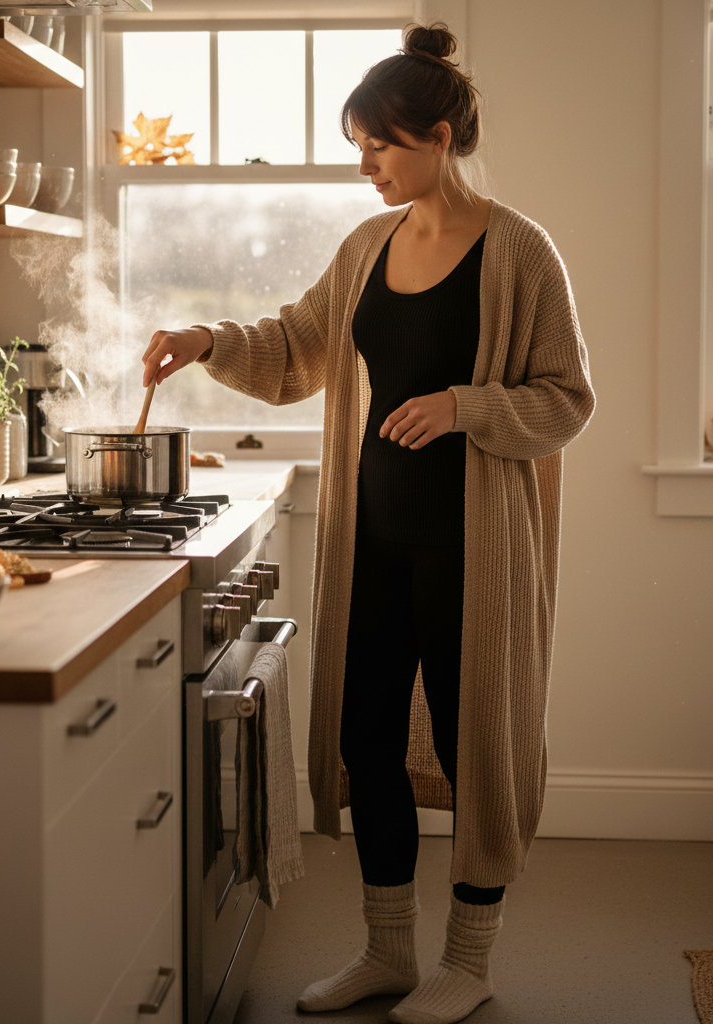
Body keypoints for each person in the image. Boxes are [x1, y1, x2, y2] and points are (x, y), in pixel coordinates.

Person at [142, 22, 595, 1024]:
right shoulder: (366, 248)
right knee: (366, 739)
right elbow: (298, 344)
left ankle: (467, 960)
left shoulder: (520, 251)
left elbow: (567, 397)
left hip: (477, 555)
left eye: (379, 145)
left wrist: (467, 406)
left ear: (439, 137)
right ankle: (388, 951)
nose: (366, 166)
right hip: (374, 544)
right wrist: (205, 338)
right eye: (357, 146)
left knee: (481, 747)